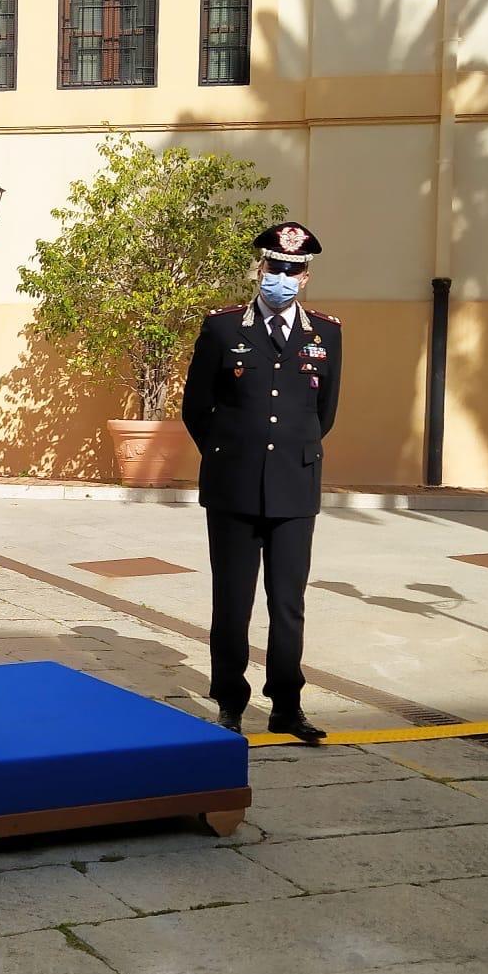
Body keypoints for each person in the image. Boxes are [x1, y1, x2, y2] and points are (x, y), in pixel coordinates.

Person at [181, 222, 342, 743]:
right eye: (275, 267)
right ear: (259, 268)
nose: (283, 277)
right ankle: (229, 699)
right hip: (233, 485)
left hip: (295, 487)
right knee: (232, 600)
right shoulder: (224, 328)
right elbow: (195, 408)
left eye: (293, 270)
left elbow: (325, 412)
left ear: (307, 277)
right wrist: (228, 454)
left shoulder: (327, 333)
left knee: (287, 601)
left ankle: (286, 705)